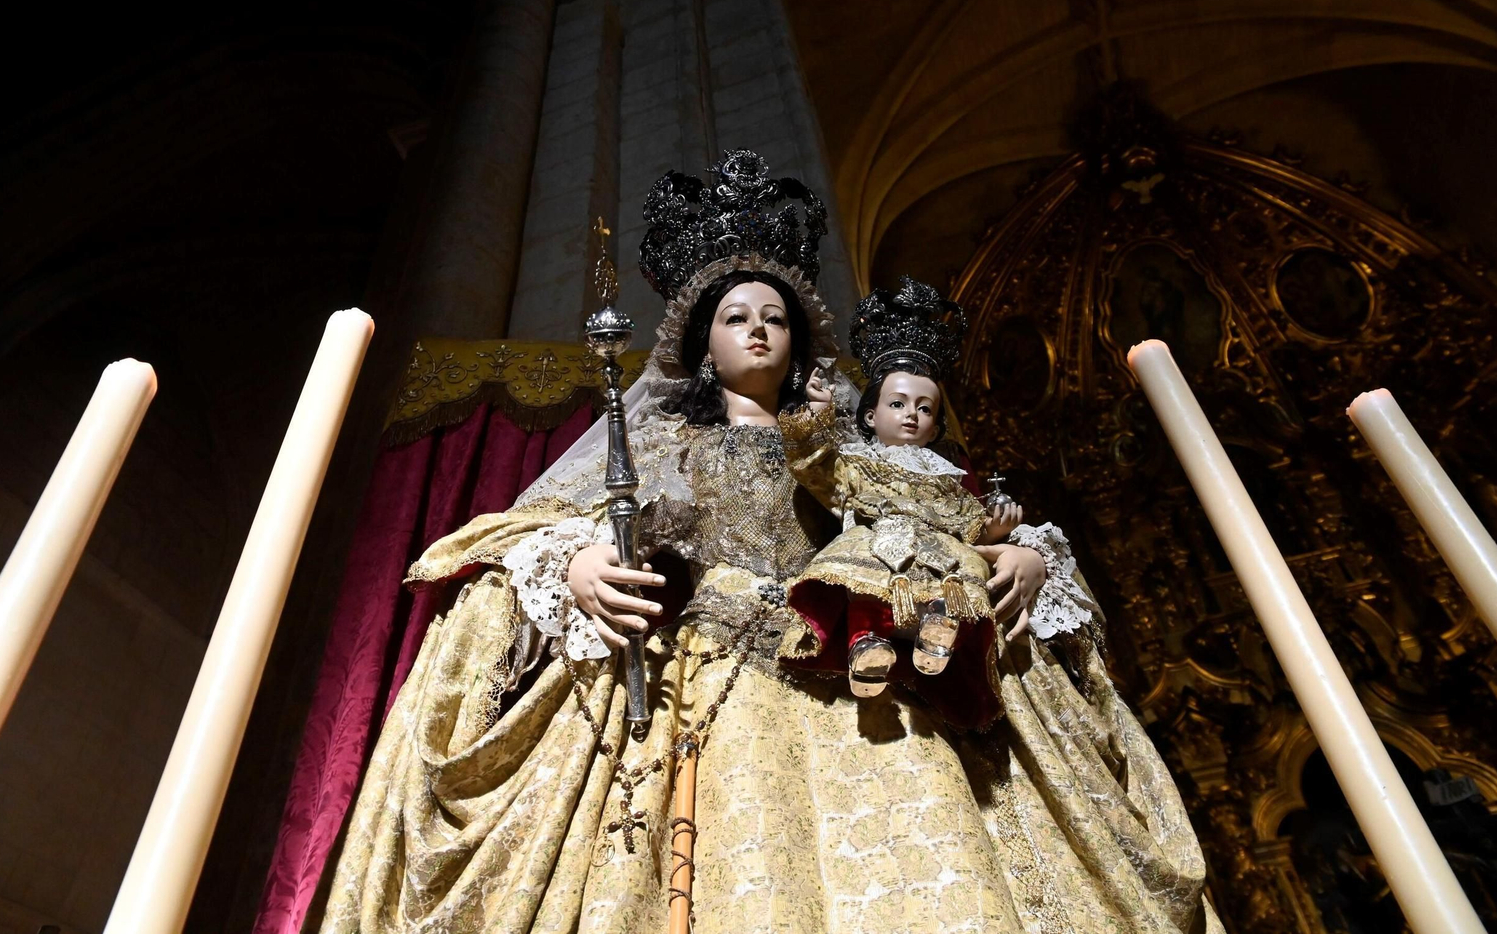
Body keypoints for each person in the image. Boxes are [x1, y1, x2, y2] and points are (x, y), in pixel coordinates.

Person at [319, 150, 1223, 933]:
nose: (758, 327)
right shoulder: (665, 442)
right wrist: (581, 561)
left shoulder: (847, 450)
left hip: (860, 675)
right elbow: (542, 528)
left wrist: (1022, 554)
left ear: (801, 340)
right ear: (703, 345)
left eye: (777, 316)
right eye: (735, 315)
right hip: (711, 685)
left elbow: (941, 520)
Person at [776, 278, 1090, 730]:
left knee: (953, 582)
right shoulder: (859, 463)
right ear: (870, 414)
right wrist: (815, 419)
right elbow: (820, 470)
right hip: (878, 541)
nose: (911, 414)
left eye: (924, 409)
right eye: (898, 403)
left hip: (938, 550)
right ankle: (865, 643)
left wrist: (997, 531)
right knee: (867, 584)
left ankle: (937, 639)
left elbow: (967, 521)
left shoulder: (946, 477)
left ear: (936, 424)